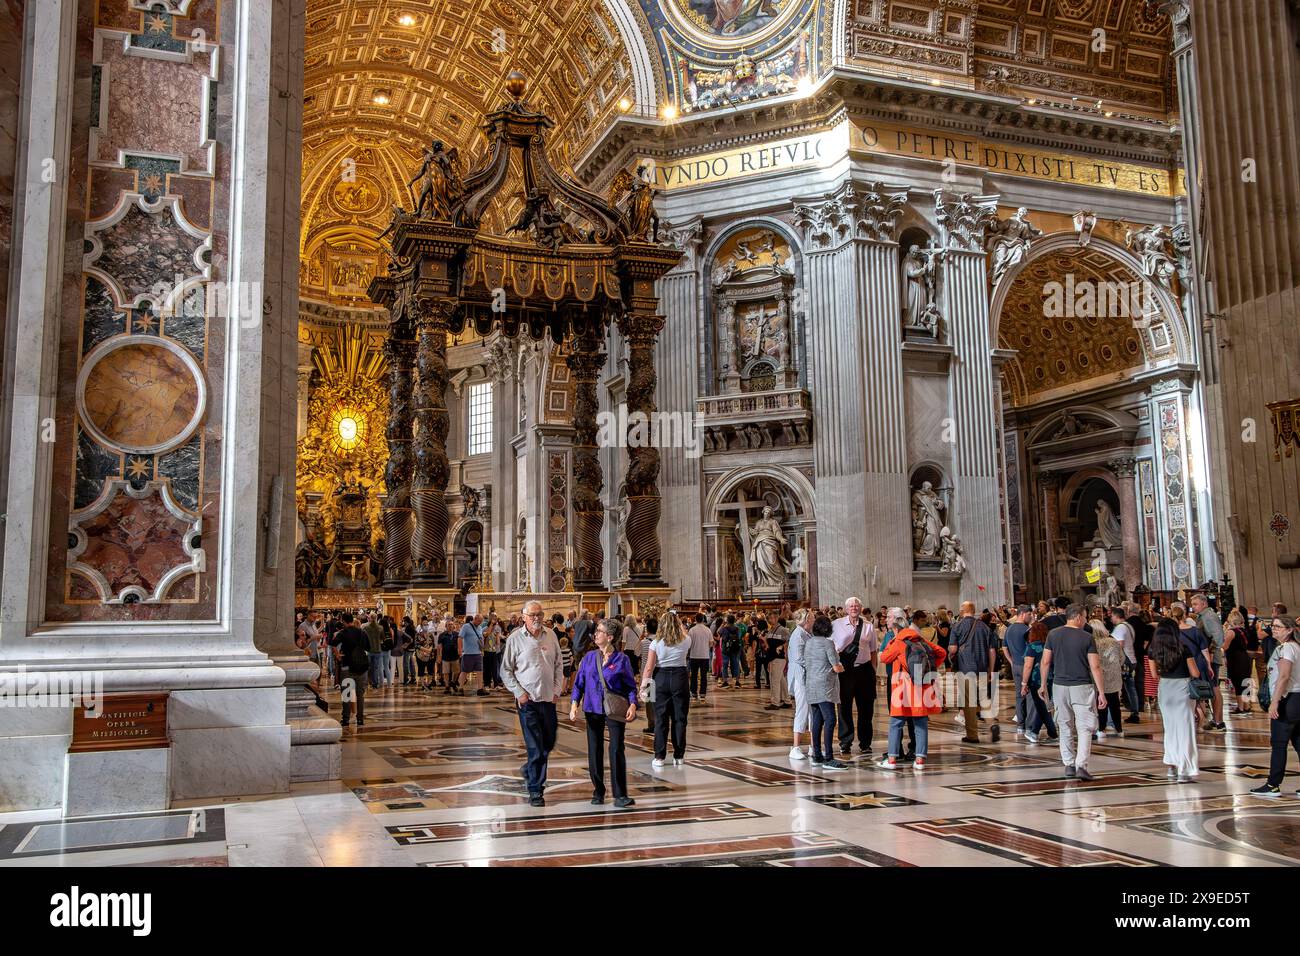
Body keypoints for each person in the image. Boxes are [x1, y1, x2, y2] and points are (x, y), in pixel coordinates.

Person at [569, 617, 639, 808]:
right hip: (592, 707)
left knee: (616, 748)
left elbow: (631, 686)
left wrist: (633, 705)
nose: (595, 634)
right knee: (595, 749)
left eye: (599, 631)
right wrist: (574, 704)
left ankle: (620, 794)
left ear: (609, 637)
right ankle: (598, 790)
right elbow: (579, 684)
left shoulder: (622, 659)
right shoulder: (589, 658)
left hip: (614, 708)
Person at [501, 600, 565, 807]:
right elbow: (506, 670)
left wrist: (557, 690)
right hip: (527, 701)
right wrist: (519, 693)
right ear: (524, 617)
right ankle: (536, 790)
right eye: (532, 615)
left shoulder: (551, 635)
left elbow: (558, 665)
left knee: (548, 742)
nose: (536, 618)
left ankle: (530, 769)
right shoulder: (515, 639)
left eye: (539, 614)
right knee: (535, 747)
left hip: (548, 699)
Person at [1041, 604, 1105, 780]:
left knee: (1065, 725)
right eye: (1085, 617)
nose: (1085, 621)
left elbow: (1045, 662)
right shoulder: (1086, 637)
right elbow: (1095, 666)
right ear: (1077, 617)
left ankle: (1068, 764)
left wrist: (1043, 685)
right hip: (1082, 687)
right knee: (1085, 727)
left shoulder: (1053, 634)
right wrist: (1101, 692)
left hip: (1059, 686)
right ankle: (1081, 766)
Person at [878, 611, 946, 771]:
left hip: (901, 688)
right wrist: (925, 668)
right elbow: (941, 653)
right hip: (920, 687)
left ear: (895, 628)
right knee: (920, 723)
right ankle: (920, 760)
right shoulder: (919, 639)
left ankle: (892, 759)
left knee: (896, 723)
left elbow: (884, 658)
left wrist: (893, 640)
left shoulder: (898, 641)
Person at [1251, 614, 1300, 796]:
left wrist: (1275, 702)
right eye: (1273, 626)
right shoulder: (1294, 647)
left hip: (1289, 699)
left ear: (1289, 630)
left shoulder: (1287, 648)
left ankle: (1273, 784)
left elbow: (1284, 676)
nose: (1274, 629)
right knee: (1298, 741)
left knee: (1279, 743)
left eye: (1278, 626)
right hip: (1297, 699)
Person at [1147, 617, 1201, 782]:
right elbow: (1195, 673)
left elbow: (1154, 675)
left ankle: (1171, 766)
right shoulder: (1183, 648)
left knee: (1169, 728)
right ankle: (1185, 769)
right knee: (1185, 729)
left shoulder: (1152, 649)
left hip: (1165, 688)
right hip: (1182, 688)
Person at [641, 611, 691, 767]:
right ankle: (679, 755)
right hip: (680, 677)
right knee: (680, 718)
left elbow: (649, 668)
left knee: (661, 718)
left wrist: (644, 686)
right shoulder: (687, 640)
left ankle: (659, 756)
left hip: (661, 677)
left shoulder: (656, 642)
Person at [831, 597, 878, 756]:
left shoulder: (868, 626)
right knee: (844, 707)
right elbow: (830, 647)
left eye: (857, 606)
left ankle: (865, 742)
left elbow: (873, 651)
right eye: (851, 606)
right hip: (844, 670)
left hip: (864, 669)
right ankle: (845, 741)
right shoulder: (836, 625)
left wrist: (873, 670)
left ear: (861, 608)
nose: (854, 608)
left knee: (866, 708)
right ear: (846, 609)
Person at [950, 601, 999, 744]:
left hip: (965, 668)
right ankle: (992, 723)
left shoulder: (957, 626)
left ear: (962, 610)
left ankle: (972, 735)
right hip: (982, 667)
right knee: (983, 698)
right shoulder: (985, 627)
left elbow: (952, 649)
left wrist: (952, 654)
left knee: (969, 702)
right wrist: (990, 670)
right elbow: (992, 651)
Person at [805, 615, 848, 770]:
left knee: (817, 720)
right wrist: (841, 667)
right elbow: (836, 666)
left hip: (811, 684)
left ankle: (817, 755)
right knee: (830, 719)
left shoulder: (809, 642)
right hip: (824, 686)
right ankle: (829, 757)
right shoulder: (828, 643)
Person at [1190, 594, 1227, 731]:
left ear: (1204, 603)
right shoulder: (1202, 616)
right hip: (1206, 657)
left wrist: (1209, 657)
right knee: (1211, 687)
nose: (1193, 607)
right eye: (1192, 604)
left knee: (1214, 687)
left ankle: (1219, 721)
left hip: (1210, 658)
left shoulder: (1209, 616)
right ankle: (1216, 719)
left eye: (1195, 604)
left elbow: (1218, 638)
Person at [1020, 621, 1057, 743]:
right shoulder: (1050, 645)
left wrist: (1024, 683)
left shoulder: (1032, 647)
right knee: (1043, 706)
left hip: (1036, 680)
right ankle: (1038, 731)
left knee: (1042, 707)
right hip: (1051, 678)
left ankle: (1050, 732)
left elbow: (1028, 666)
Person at [335, 612, 370, 729]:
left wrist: (339, 655)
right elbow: (368, 647)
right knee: (360, 695)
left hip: (347, 668)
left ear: (343, 621)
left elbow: (334, 645)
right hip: (361, 668)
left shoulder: (343, 634)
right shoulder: (362, 633)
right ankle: (360, 719)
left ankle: (345, 719)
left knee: (347, 695)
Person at [1090, 617, 1125, 738]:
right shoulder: (1113, 641)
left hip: (1099, 677)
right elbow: (1122, 658)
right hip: (1114, 676)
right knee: (1115, 703)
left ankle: (1101, 729)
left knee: (1100, 702)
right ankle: (1119, 729)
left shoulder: (1092, 643)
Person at [1002, 605, 1033, 733]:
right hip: (1026, 665)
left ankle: (1020, 725)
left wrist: (1011, 661)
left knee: (1019, 695)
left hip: (1016, 665)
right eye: (1030, 614)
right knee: (1030, 695)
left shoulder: (1009, 629)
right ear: (1023, 614)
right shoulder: (1027, 630)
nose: (1031, 617)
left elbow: (1004, 647)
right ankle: (1030, 725)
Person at [786, 608, 812, 759]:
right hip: (800, 675)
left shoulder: (807, 633)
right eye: (812, 618)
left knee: (812, 711)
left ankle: (813, 746)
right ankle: (795, 747)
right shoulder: (798, 635)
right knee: (802, 709)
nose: (814, 621)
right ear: (806, 621)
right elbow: (799, 658)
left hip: (808, 675)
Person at [1223, 608, 1254, 715]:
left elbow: (1225, 647)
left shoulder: (1231, 632)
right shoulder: (1244, 631)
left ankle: (1240, 707)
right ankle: (1247, 705)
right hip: (1245, 657)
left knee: (1237, 683)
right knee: (1245, 682)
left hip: (1235, 659)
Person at [686, 613, 713, 702]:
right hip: (705, 656)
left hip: (694, 655)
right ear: (702, 620)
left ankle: (693, 693)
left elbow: (688, 644)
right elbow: (711, 643)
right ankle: (702, 694)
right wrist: (706, 647)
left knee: (693, 675)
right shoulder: (708, 630)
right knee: (703, 676)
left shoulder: (692, 630)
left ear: (695, 620)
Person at [765, 619, 790, 710]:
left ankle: (775, 702)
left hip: (779, 657)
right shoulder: (770, 630)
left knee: (774, 680)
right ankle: (787, 701)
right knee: (781, 679)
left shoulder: (783, 630)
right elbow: (768, 645)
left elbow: (789, 640)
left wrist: (782, 647)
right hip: (771, 657)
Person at [437, 618, 461, 695]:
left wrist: (460, 651)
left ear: (453, 626)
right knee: (446, 672)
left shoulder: (457, 634)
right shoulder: (442, 635)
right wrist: (439, 656)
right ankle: (447, 686)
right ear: (446, 626)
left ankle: (453, 683)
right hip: (445, 656)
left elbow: (460, 644)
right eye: (449, 625)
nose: (450, 626)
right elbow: (439, 646)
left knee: (456, 671)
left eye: (451, 624)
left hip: (455, 656)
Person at [718, 615, 742, 688]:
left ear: (727, 620)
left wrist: (722, 624)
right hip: (735, 648)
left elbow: (718, 632)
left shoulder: (724, 628)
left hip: (726, 648)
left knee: (725, 665)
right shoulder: (737, 628)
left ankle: (725, 681)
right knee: (736, 664)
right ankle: (737, 681)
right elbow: (740, 637)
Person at [363, 613, 385, 690]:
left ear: (369, 618)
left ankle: (367, 682)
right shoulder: (380, 628)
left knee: (368, 667)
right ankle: (375, 684)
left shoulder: (366, 628)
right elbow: (383, 638)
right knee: (375, 668)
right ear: (376, 618)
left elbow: (363, 638)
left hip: (368, 650)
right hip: (378, 649)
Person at [414, 622, 436, 691]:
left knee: (430, 669)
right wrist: (425, 650)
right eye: (424, 625)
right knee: (421, 669)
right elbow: (416, 645)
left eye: (427, 624)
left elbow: (433, 644)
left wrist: (429, 650)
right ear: (421, 626)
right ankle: (423, 684)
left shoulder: (430, 635)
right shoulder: (418, 635)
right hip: (421, 654)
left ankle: (428, 683)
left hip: (430, 655)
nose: (426, 626)